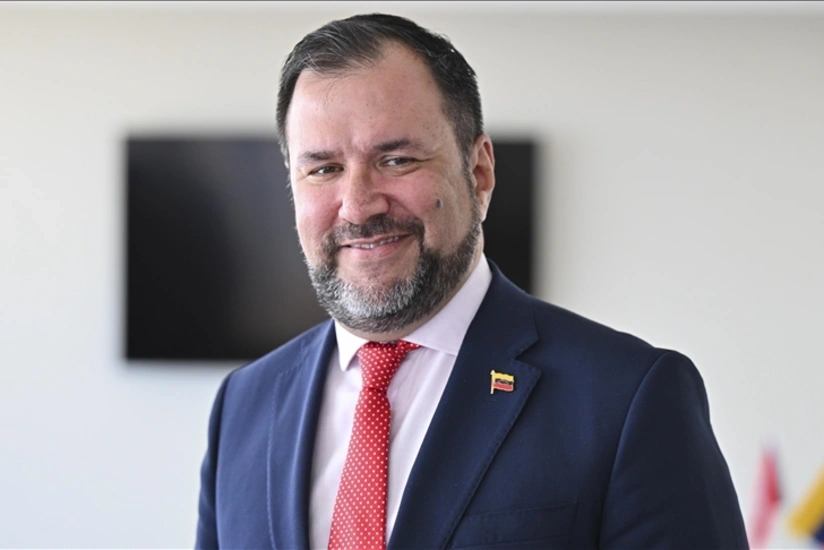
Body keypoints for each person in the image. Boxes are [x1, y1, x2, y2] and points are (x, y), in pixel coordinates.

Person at [195, 13, 748, 550]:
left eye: (397, 160)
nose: (358, 207)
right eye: (323, 169)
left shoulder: (626, 397)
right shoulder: (244, 405)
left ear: (479, 173)